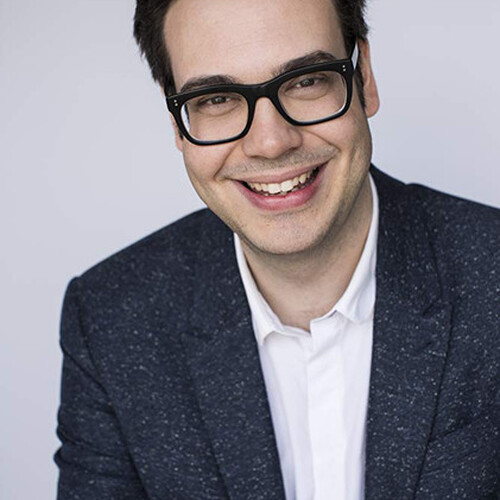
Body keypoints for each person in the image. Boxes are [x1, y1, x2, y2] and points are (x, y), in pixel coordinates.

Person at [53, 0, 500, 498]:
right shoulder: (110, 320)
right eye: (217, 98)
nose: (270, 142)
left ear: (364, 78)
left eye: (306, 80)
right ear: (178, 121)